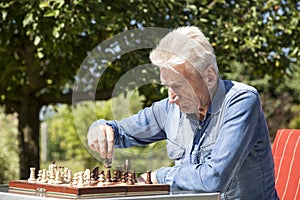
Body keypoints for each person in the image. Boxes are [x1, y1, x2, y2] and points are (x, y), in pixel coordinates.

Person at [87, 26, 279, 199]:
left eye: (178, 86)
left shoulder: (241, 101)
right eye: (167, 86)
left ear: (210, 77)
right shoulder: (170, 107)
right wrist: (101, 128)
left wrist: (157, 177)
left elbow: (214, 178)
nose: (171, 97)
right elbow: (119, 131)